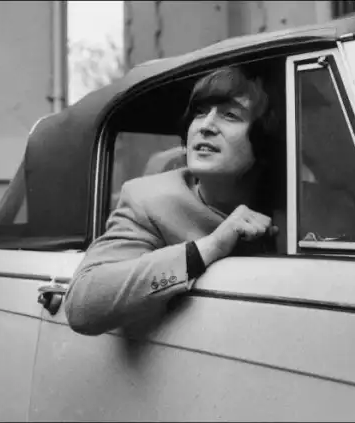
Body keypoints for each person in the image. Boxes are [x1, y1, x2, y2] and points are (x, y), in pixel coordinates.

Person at [64, 66, 280, 336]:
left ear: (266, 139)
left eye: (230, 115)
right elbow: (83, 305)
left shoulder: (302, 205)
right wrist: (208, 248)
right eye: (200, 112)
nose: (206, 126)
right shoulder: (149, 201)